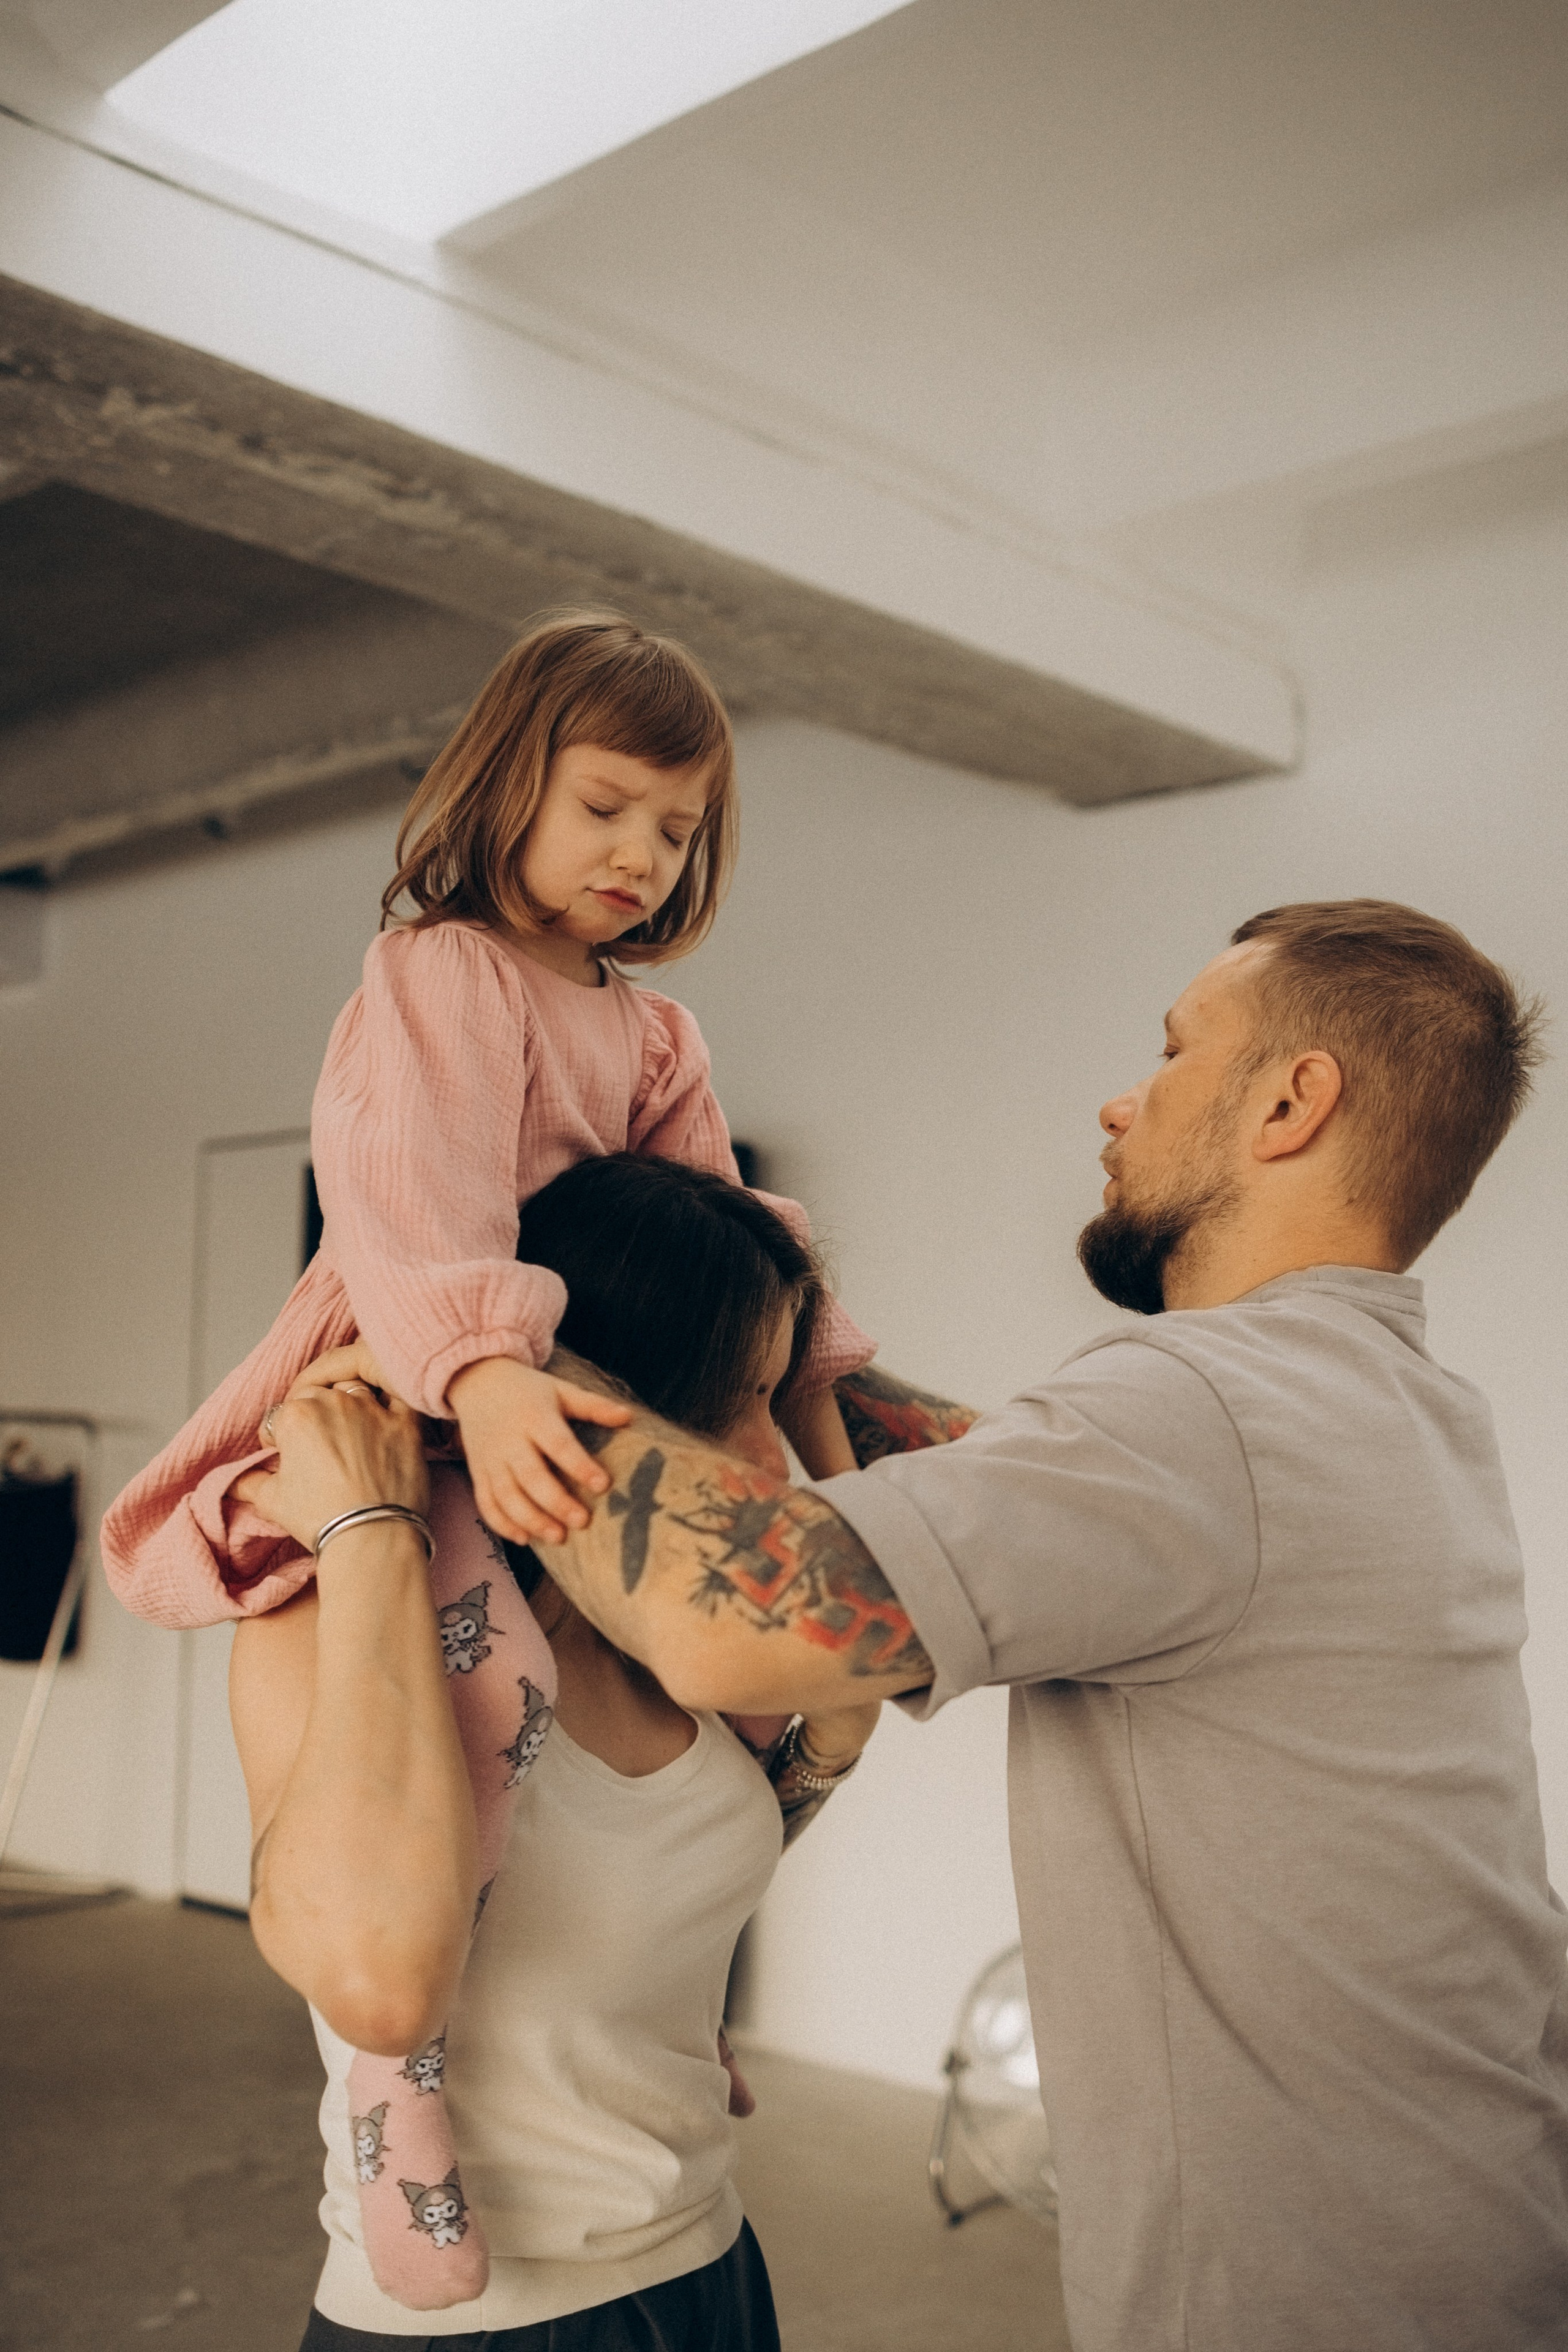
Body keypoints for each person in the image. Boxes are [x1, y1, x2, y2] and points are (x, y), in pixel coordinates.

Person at [504, 901, 1567, 2352]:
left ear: (1288, 1100)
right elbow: (999, 1479)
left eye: (1175, 1049)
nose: (1121, 1100)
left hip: (1314, 2287)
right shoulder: (1383, 1404)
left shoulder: (1201, 1409)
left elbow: (728, 1623)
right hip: (1472, 2220)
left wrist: (474, 1341)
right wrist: (783, 1354)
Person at [99, 611, 872, 2301]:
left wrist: (840, 1405)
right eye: (605, 806)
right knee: (479, 1705)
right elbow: (410, 1203)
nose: (638, 856)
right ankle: (401, 2094)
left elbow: (732, 1231)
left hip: (570, 1375)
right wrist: (485, 1373)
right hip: (427, 1365)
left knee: (753, 1697)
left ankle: (663, 2023)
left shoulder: (656, 1034)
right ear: (511, 780)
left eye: (674, 829)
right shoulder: (438, 973)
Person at [235, 1156, 896, 2347]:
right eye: (740, 1398)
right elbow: (379, 1987)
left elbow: (689, 1856)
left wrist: (823, 1753)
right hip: (491, 2321)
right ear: (617, 1388)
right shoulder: (324, 1603)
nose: (771, 1454)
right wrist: (374, 1525)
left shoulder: (664, 1626)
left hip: (707, 2262)